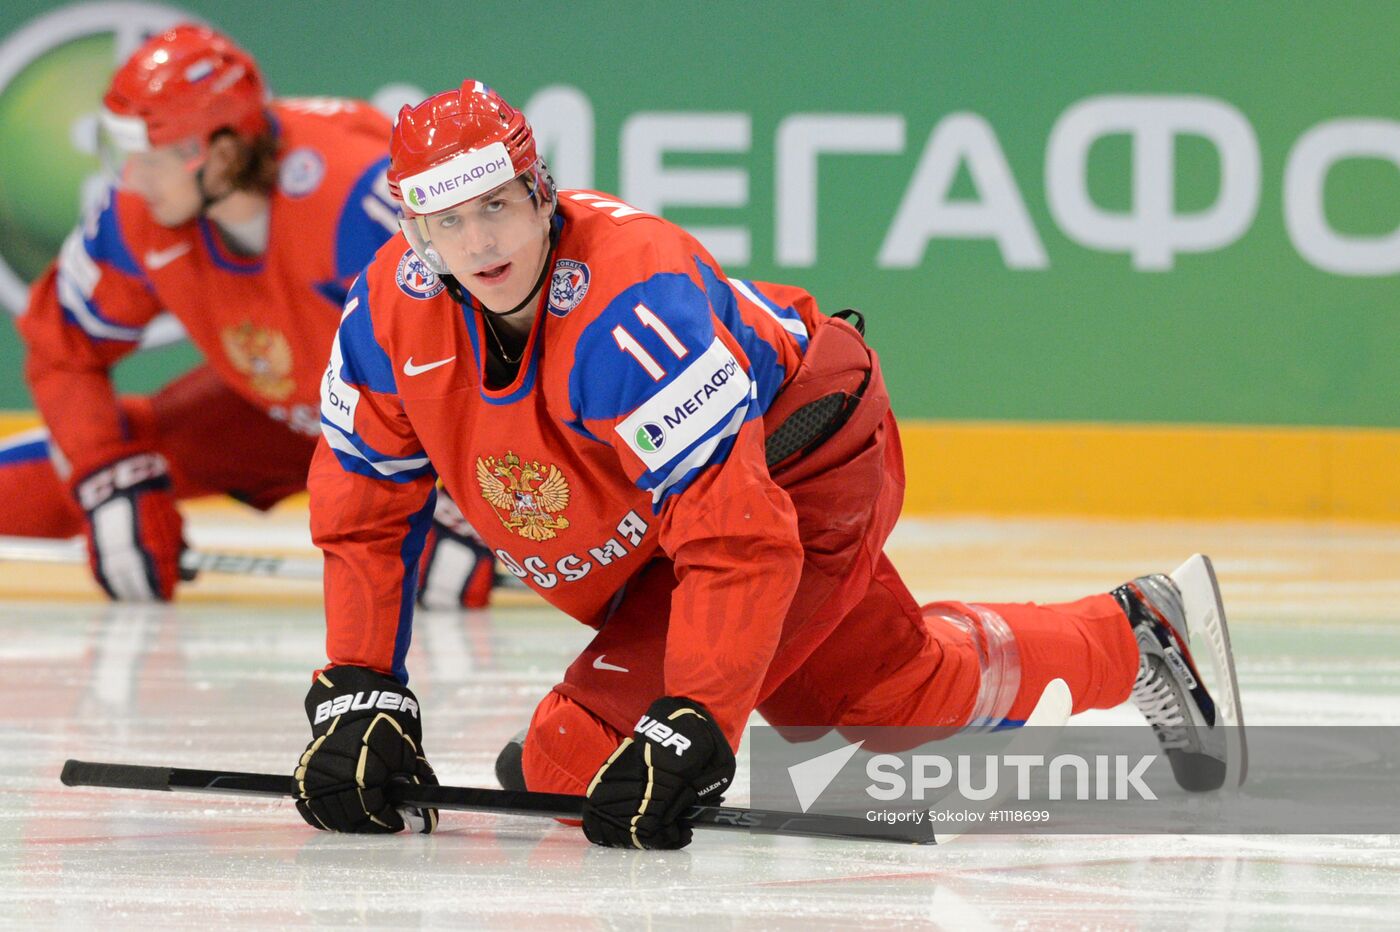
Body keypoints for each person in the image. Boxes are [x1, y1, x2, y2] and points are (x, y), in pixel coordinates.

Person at [291, 80, 1241, 848]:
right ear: (412, 233)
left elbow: (736, 536)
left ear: (541, 193)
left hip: (800, 467)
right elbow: (363, 512)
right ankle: (1137, 632)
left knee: (574, 760)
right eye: (447, 221)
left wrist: (692, 719)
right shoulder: (386, 314)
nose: (480, 243)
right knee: (884, 703)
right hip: (676, 512)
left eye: (497, 206)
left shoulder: (632, 306)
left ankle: (608, 720)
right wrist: (361, 685)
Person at [1, 25, 499, 607]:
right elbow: (64, 350)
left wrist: (472, 499)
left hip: (427, 422)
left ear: (224, 152)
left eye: (150, 156)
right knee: (98, 456)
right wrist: (107, 478)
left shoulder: (357, 194)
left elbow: (502, 341)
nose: (132, 178)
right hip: (281, 410)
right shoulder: (137, 215)